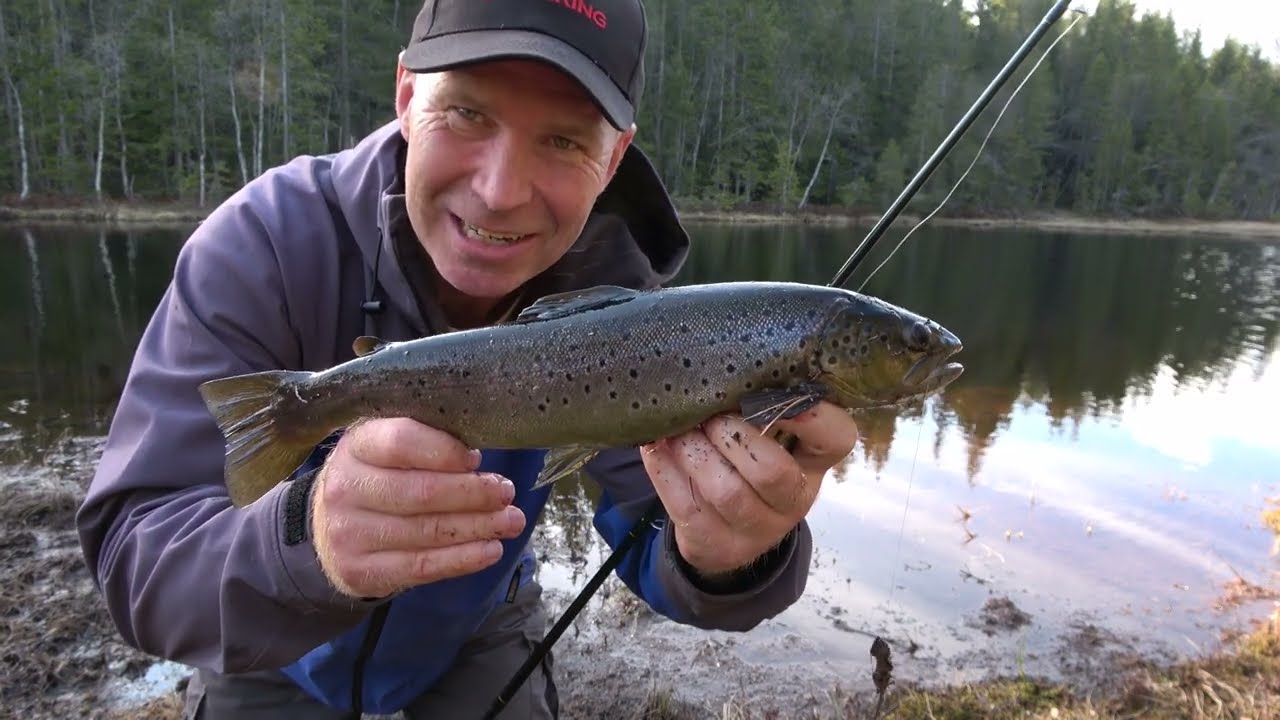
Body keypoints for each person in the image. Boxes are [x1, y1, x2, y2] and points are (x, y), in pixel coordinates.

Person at [76, 0, 860, 717]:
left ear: (615, 157)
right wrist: (305, 541)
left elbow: (653, 542)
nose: (499, 190)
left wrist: (731, 558)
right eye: (467, 112)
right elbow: (139, 564)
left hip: (475, 632)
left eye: (561, 140)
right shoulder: (264, 246)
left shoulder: (633, 311)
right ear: (407, 97)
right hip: (269, 650)